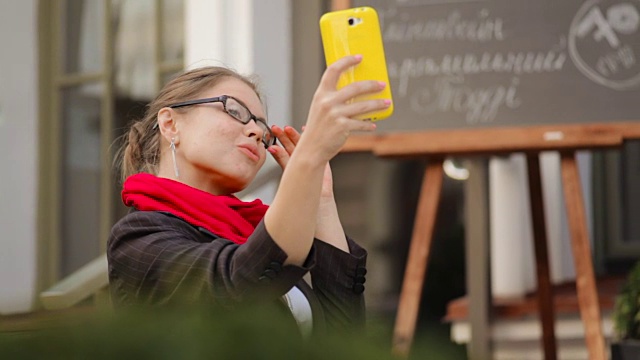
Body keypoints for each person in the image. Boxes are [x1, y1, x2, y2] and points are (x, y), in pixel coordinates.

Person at [107, 55, 392, 337]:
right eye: (234, 110)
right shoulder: (136, 237)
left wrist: (321, 201)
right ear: (170, 124)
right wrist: (310, 157)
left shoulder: (250, 232)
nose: (257, 131)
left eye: (262, 126)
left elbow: (343, 343)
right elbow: (240, 283)